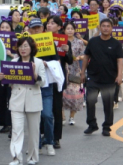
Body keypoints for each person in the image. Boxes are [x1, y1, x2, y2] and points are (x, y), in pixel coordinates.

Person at [0, 35, 46, 165]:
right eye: (20, 46)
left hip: (33, 100)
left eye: (25, 46)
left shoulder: (39, 62)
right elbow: (8, 82)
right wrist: (2, 78)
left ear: (31, 48)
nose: (23, 49)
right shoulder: (12, 63)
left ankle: (32, 158)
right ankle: (16, 158)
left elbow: (43, 83)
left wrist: (35, 74)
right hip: (16, 100)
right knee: (16, 131)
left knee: (34, 132)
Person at [81, 18, 123, 136]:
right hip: (93, 77)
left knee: (108, 104)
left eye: (108, 26)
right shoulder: (93, 41)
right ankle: (92, 125)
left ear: (111, 28)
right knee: (90, 101)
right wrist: (82, 72)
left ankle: (107, 127)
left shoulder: (116, 44)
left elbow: (120, 60)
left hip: (109, 79)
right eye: (103, 26)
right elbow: (86, 57)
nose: (105, 28)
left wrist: (119, 75)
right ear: (100, 28)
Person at [27, 18, 56, 156]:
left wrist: (47, 63)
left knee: (47, 115)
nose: (36, 30)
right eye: (34, 28)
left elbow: (56, 61)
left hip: (45, 84)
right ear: (30, 30)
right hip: (31, 86)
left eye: (38, 27)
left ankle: (49, 142)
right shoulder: (25, 44)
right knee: (34, 116)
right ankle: (36, 144)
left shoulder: (49, 42)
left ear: (43, 29)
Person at [45, 16, 72, 149]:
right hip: (44, 78)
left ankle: (56, 138)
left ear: (59, 27)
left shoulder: (64, 41)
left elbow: (70, 60)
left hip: (57, 79)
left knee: (56, 109)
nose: (49, 25)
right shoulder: (42, 40)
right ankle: (44, 134)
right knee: (44, 110)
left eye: (53, 23)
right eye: (48, 23)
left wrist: (67, 51)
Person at [63, 21, 85, 125]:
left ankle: (72, 117)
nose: (70, 30)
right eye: (68, 29)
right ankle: (62, 116)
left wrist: (79, 57)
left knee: (75, 94)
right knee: (62, 94)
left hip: (75, 69)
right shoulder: (60, 41)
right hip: (63, 69)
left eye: (72, 28)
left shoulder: (79, 42)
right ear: (64, 30)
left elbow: (84, 55)